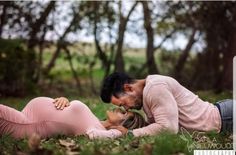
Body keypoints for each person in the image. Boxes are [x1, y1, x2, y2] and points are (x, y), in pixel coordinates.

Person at [99, 72, 233, 137]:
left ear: (128, 88)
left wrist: (130, 134)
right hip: (223, 115)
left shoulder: (155, 88)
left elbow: (168, 129)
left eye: (123, 103)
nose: (126, 108)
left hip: (226, 118)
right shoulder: (148, 92)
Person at [0, 97, 146, 139]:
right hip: (26, 115)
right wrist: (64, 99)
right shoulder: (95, 120)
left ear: (123, 124)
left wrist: (119, 133)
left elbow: (93, 135)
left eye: (124, 114)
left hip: (25, 124)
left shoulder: (97, 129)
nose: (121, 109)